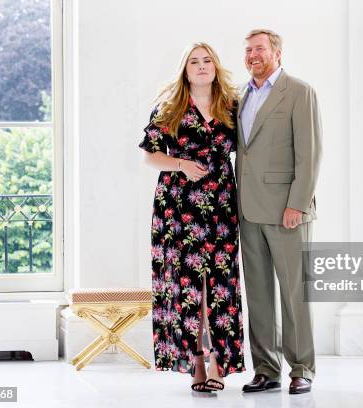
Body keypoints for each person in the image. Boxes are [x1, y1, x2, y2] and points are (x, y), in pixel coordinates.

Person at [138, 42, 245, 393]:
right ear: (185, 70)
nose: (201, 66)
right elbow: (150, 156)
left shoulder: (233, 106)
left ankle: (218, 360)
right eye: (194, 62)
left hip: (221, 203)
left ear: (216, 67)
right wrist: (181, 163)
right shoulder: (170, 107)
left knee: (219, 282)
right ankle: (197, 360)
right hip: (177, 204)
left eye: (207, 60)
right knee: (187, 282)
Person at [236, 29, 322, 395]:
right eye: (248, 50)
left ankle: (302, 368)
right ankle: (266, 369)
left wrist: (297, 205)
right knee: (258, 294)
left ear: (277, 53)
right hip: (248, 209)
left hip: (288, 210)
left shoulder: (299, 92)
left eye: (260, 49)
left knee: (293, 294)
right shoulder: (240, 96)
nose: (253, 55)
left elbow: (310, 154)